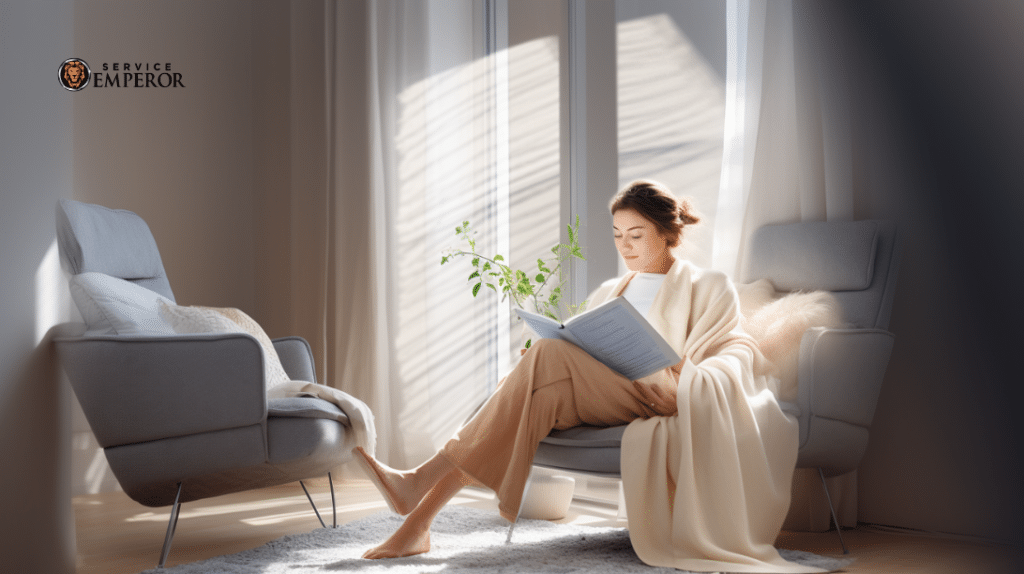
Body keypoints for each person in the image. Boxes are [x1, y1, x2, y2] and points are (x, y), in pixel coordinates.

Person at [353, 180, 820, 573]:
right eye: (617, 235)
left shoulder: (708, 285)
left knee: (547, 356)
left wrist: (683, 381)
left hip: (659, 392)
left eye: (636, 235)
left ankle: (417, 486)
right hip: (603, 389)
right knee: (538, 381)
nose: (625, 247)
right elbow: (585, 343)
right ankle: (418, 524)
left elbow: (732, 349)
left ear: (666, 233)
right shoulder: (609, 289)